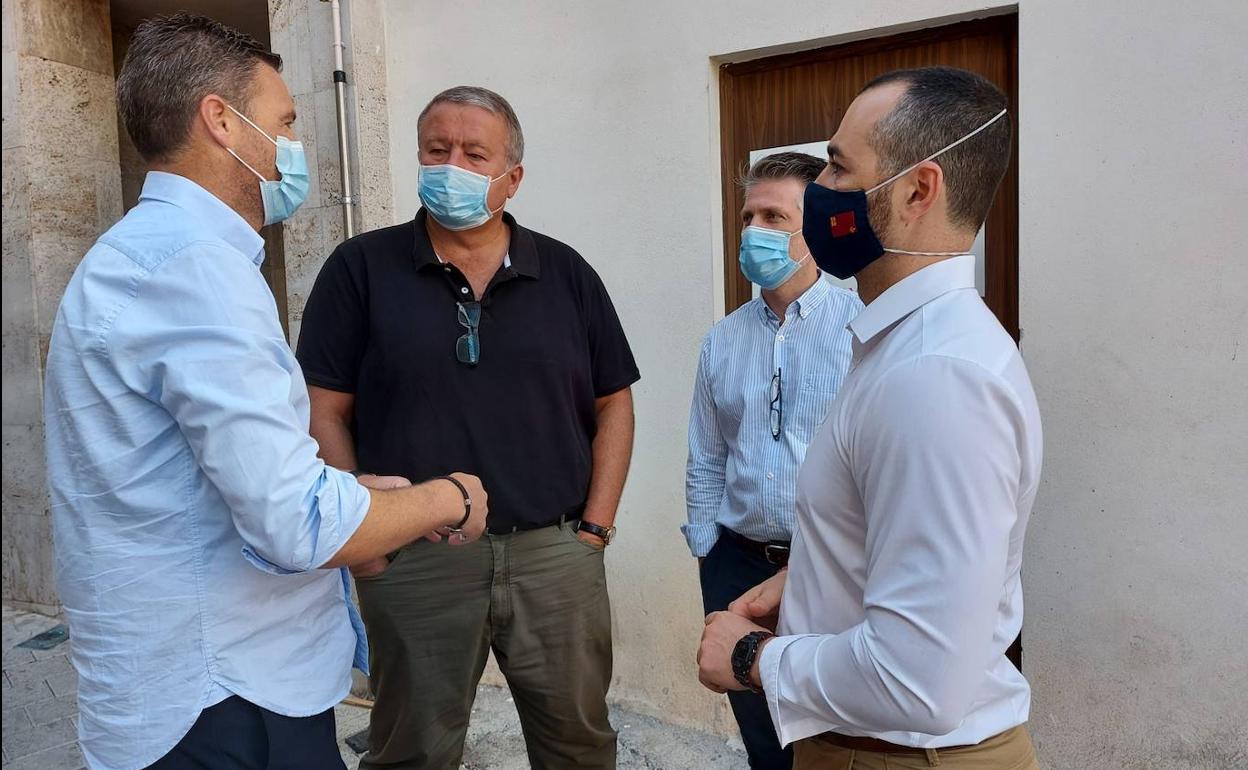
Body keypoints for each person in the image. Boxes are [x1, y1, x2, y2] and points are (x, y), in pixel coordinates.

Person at [42, 15, 488, 770]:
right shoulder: (197, 270)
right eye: (283, 122)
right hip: (228, 697)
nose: (292, 146)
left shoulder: (137, 255)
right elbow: (295, 523)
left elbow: (221, 476)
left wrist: (349, 491)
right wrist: (448, 498)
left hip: (183, 682)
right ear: (221, 121)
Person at [697, 66, 1043, 770]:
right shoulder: (901, 346)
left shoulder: (936, 376)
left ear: (919, 188)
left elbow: (919, 680)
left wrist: (751, 655)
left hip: (901, 756)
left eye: (837, 165)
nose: (822, 190)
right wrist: (816, 576)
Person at [297, 85, 639, 770]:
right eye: (436, 149)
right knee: (411, 752)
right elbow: (322, 410)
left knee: (579, 746)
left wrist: (594, 532)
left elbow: (614, 405)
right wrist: (367, 551)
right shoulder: (360, 269)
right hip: (414, 560)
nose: (451, 164)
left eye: (474, 153)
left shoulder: (566, 273)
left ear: (511, 177)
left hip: (554, 556)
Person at [684, 151, 861, 770]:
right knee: (764, 739)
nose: (754, 230)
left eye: (773, 216)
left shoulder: (859, 330)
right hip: (737, 566)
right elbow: (707, 453)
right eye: (749, 215)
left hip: (827, 570)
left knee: (831, 739)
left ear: (813, 228)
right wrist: (707, 546)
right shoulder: (723, 339)